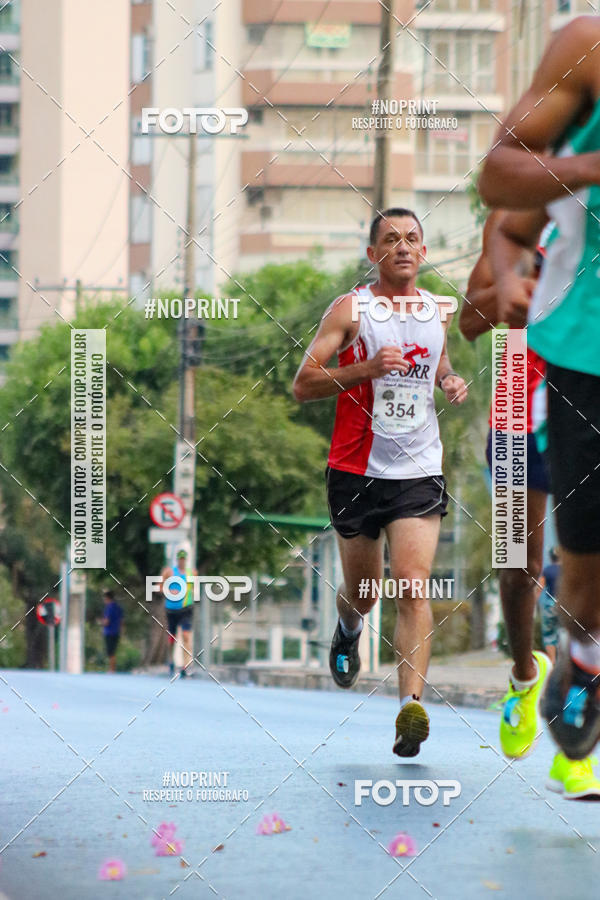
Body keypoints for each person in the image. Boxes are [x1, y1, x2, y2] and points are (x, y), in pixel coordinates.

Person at [293, 207, 468, 757]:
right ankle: (348, 628)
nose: (403, 246)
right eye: (390, 239)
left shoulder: (435, 309)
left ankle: (408, 710)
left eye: (412, 238)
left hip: (418, 468)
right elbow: (303, 383)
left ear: (423, 251)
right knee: (366, 594)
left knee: (413, 585)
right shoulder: (351, 310)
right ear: (373, 255)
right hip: (354, 470)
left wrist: (450, 379)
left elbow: (437, 362)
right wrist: (364, 369)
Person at [479, 15, 600, 760]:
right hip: (581, 358)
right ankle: (571, 652)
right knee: (564, 567)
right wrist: (500, 283)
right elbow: (500, 181)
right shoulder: (586, 48)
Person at [460, 216, 600, 797]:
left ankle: (577, 745)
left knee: (584, 575)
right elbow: (471, 320)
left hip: (586, 412)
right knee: (518, 570)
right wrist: (526, 284)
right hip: (519, 415)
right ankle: (524, 675)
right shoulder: (527, 221)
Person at [161, 549, 196, 678]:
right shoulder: (169, 572)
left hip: (186, 608)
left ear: (186, 560)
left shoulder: (191, 573)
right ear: (177, 560)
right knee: (172, 637)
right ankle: (170, 661)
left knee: (186, 636)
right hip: (171, 609)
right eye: (180, 558)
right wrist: (170, 592)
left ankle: (186, 666)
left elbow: (193, 588)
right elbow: (160, 587)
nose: (182, 561)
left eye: (184, 559)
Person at [102, 588, 123, 674]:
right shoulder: (118, 607)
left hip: (109, 632)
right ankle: (112, 669)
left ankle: (112, 669)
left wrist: (101, 622)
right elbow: (122, 620)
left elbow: (106, 621)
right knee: (113, 651)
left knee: (110, 652)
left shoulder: (109, 608)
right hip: (116, 631)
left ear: (107, 598)